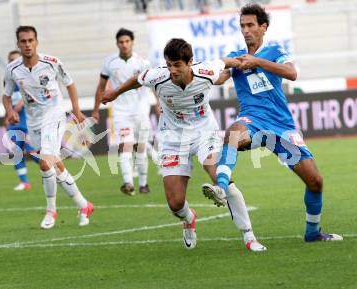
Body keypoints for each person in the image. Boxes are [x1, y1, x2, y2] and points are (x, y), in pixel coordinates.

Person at [102, 38, 266, 251]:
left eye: (177, 65)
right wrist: (114, 93)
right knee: (175, 203)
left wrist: (239, 64)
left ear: (190, 62)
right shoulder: (158, 76)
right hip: (172, 139)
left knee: (221, 176)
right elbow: (136, 79)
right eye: (169, 64)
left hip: (204, 133)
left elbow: (225, 63)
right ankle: (188, 218)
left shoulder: (204, 71)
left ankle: (249, 236)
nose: (172, 70)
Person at [203, 4, 343, 242]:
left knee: (315, 181)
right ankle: (222, 186)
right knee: (233, 134)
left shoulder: (275, 51)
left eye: (250, 25)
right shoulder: (237, 57)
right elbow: (220, 78)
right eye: (242, 26)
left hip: (281, 127)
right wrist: (211, 72)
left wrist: (257, 62)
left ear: (263, 27)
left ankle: (312, 232)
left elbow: (291, 73)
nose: (246, 31)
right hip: (253, 121)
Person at [3, 26, 94, 229]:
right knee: (54, 165)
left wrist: (77, 111)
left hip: (54, 114)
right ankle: (84, 205)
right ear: (18, 44)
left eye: (30, 40)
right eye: (23, 41)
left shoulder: (52, 63)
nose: (27, 44)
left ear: (36, 42)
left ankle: (50, 211)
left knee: (45, 162)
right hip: (33, 121)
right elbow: (6, 95)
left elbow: (69, 84)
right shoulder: (12, 69)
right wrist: (9, 111)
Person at [93, 28, 153, 196]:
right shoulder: (109, 62)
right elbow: (101, 87)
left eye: (127, 41)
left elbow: (152, 83)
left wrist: (159, 103)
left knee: (140, 147)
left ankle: (143, 183)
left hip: (140, 109)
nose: (124, 45)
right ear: (117, 43)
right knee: (125, 145)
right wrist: (96, 109)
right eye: (121, 42)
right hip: (120, 111)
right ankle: (128, 182)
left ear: (132, 42)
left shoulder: (142, 62)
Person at [5, 50, 40, 191]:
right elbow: (7, 99)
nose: (14, 62)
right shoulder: (8, 78)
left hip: (27, 120)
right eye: (11, 60)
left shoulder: (27, 76)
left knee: (32, 150)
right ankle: (24, 182)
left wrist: (16, 109)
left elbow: (27, 98)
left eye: (16, 59)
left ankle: (51, 168)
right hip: (14, 120)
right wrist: (7, 116)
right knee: (17, 151)